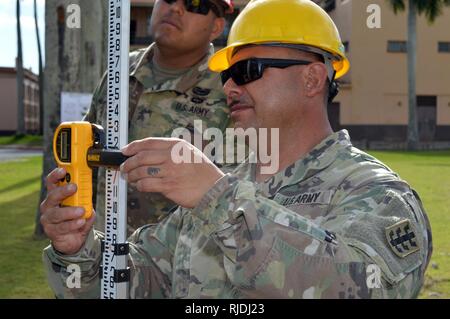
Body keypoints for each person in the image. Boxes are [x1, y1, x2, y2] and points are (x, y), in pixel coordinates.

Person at [42, 0, 432, 298]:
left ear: (313, 78)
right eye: (228, 75)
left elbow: (363, 284)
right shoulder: (216, 190)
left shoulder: (375, 194)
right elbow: (141, 278)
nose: (230, 87)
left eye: (248, 71)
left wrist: (218, 198)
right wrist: (79, 252)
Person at [83, 0, 234, 233]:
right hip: (104, 256)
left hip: (181, 263)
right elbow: (88, 155)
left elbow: (240, 192)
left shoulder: (232, 88)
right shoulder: (119, 71)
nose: (175, 8)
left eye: (195, 4)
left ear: (216, 27)